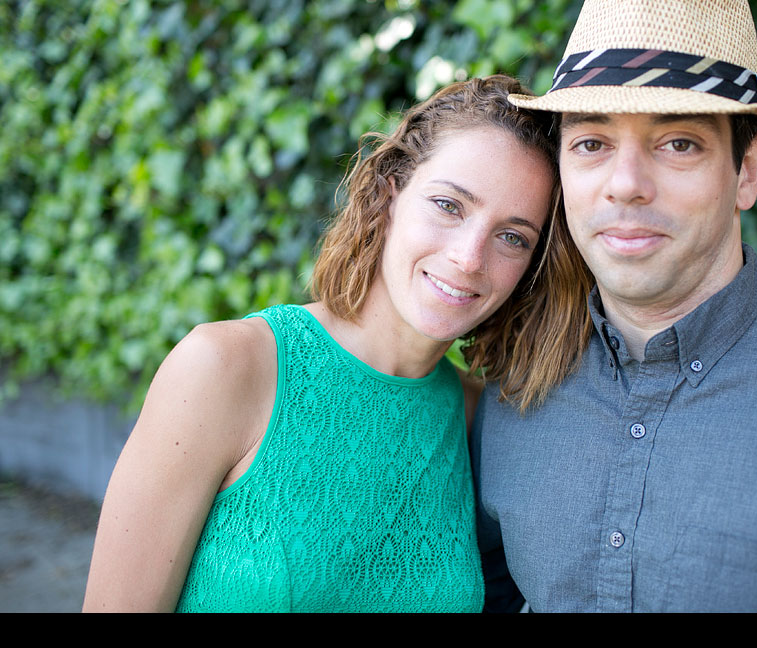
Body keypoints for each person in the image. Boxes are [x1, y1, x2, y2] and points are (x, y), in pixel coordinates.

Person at [82, 74, 593, 612]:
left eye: (512, 237)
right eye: (449, 205)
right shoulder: (228, 368)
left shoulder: (471, 417)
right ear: (390, 191)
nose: (469, 257)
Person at [473, 0, 757, 613]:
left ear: (748, 169)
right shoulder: (513, 389)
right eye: (592, 142)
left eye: (678, 142)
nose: (625, 182)